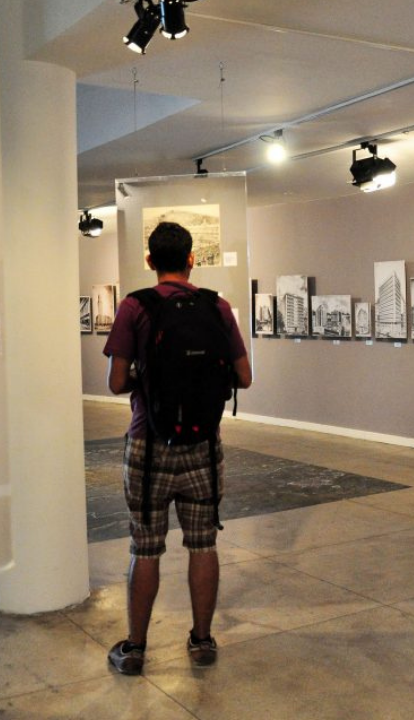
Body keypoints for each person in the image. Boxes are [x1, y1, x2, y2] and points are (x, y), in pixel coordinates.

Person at [102, 221, 252, 675]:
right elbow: (244, 378)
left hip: (149, 447)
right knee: (203, 544)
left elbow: (114, 383)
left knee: (145, 548)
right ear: (192, 259)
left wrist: (146, 378)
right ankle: (202, 641)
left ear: (150, 261)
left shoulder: (134, 308)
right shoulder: (217, 307)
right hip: (204, 446)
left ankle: (135, 649)